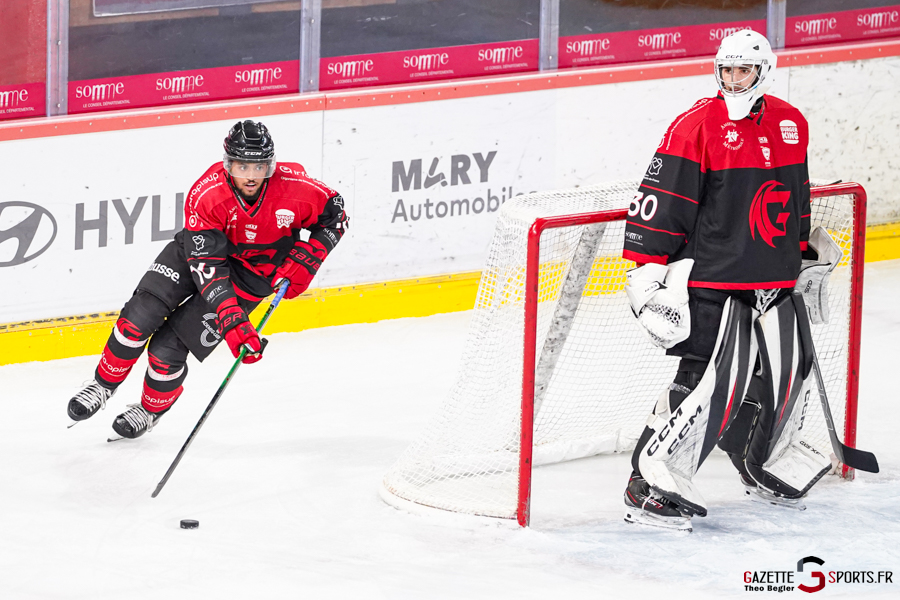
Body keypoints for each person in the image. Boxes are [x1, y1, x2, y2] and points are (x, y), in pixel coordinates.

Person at [620, 30, 835, 531]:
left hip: (773, 280)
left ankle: (757, 461)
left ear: (765, 71)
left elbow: (796, 195)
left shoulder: (790, 122)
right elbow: (662, 199)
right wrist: (647, 267)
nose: (734, 80)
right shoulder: (695, 126)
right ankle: (644, 483)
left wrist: (802, 253)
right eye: (726, 71)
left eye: (744, 71)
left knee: (784, 378)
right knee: (704, 382)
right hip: (715, 281)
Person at [67, 120, 349, 439]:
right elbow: (209, 269)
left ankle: (149, 410)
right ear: (229, 164)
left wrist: (308, 257)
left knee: (167, 350)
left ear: (271, 164)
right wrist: (232, 320)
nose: (252, 176)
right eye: (243, 166)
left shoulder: (298, 188)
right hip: (199, 258)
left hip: (254, 274)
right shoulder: (207, 193)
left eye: (260, 167)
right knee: (139, 316)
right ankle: (102, 385)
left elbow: (336, 215)